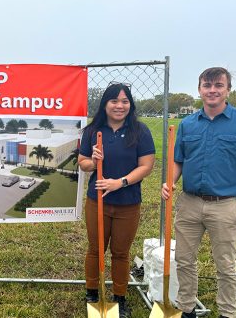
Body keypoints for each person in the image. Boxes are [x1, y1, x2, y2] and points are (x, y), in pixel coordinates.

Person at [161, 67, 236, 318]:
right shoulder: (188, 125)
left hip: (225, 204)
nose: (212, 90)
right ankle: (186, 308)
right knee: (184, 260)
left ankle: (227, 312)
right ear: (199, 89)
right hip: (189, 203)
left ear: (228, 90)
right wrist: (170, 181)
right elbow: (178, 159)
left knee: (225, 264)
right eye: (207, 85)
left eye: (218, 85)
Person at [78, 82, 155, 317]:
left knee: (121, 252)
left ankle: (119, 298)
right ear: (105, 104)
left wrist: (119, 182)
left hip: (128, 202)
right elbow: (83, 164)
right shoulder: (93, 130)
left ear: (130, 105)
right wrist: (93, 160)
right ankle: (92, 292)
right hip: (97, 201)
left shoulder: (140, 131)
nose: (119, 106)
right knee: (95, 249)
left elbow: (146, 166)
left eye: (124, 101)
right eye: (114, 101)